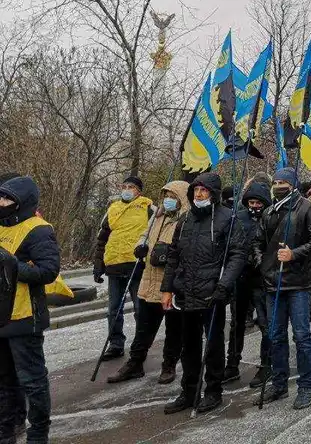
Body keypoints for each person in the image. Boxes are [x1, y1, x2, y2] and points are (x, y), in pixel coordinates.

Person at [160, 172, 246, 415]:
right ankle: (189, 391)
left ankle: (213, 391)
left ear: (213, 193)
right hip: (186, 292)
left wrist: (224, 285)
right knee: (188, 345)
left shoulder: (228, 219)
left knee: (214, 344)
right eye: (196, 190)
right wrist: (167, 288)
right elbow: (174, 255)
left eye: (204, 190)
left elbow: (237, 255)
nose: (199, 194)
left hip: (212, 293)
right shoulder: (185, 219)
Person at [257, 167, 311, 410]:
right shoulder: (268, 211)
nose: (278, 186)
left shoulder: (306, 207)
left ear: (293, 184)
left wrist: (294, 254)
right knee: (275, 336)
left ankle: (306, 387)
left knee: (302, 336)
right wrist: (263, 264)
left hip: (298, 283)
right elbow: (257, 242)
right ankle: (279, 383)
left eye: (283, 182)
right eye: (275, 182)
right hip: (273, 283)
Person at [108, 180, 188, 385]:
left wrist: (168, 253)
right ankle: (135, 363)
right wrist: (140, 246)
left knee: (174, 328)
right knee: (143, 326)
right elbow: (145, 234)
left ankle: (169, 365)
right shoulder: (158, 215)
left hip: (171, 283)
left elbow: (188, 249)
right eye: (166, 196)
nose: (168, 200)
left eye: (173, 197)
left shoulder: (186, 220)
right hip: (149, 279)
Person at [0, 176, 61, 444]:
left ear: (22, 202)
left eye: (7, 198)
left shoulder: (39, 229)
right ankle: (6, 430)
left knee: (32, 381)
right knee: (4, 382)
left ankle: (38, 435)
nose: (1, 202)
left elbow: (48, 272)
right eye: (0, 197)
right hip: (1, 318)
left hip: (25, 317)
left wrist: (10, 264)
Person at [94, 175, 153, 359]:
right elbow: (102, 238)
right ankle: (116, 343)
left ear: (139, 191)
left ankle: (140, 345)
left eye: (131, 187)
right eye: (124, 186)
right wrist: (98, 264)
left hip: (136, 265)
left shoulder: (148, 208)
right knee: (113, 309)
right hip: (114, 264)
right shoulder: (113, 208)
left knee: (139, 309)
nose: (127, 190)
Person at [223, 181, 268, 385]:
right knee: (237, 323)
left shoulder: (269, 217)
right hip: (240, 277)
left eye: (259, 203)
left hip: (262, 279)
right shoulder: (238, 218)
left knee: (265, 324)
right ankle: (232, 363)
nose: (255, 206)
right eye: (251, 202)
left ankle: (266, 365)